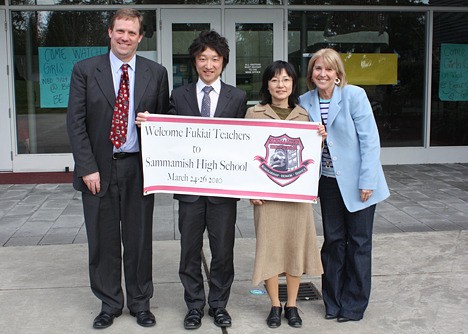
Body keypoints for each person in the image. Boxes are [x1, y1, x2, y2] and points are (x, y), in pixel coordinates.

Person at [67, 9, 169, 329]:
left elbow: (164, 121)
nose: (125, 37)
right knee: (103, 240)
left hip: (138, 169)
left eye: (132, 33)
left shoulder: (156, 72)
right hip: (98, 169)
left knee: (139, 241)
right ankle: (109, 303)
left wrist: (153, 124)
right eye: (120, 31)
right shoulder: (85, 70)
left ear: (141, 37)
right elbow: (76, 123)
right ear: (109, 32)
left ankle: (140, 302)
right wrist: (87, 167)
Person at [138, 30, 246, 330]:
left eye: (215, 59)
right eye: (203, 58)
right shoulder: (180, 95)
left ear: (223, 62)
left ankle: (219, 305)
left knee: (223, 251)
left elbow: (245, 142)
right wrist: (150, 125)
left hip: (223, 191)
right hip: (189, 191)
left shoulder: (237, 97)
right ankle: (194, 306)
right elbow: (168, 134)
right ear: (195, 62)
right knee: (189, 251)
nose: (208, 64)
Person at [299, 48, 390, 322]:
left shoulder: (354, 96)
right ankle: (333, 301)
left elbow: (370, 141)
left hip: (359, 182)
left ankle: (353, 305)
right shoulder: (305, 101)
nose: (322, 74)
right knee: (334, 242)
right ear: (311, 73)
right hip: (327, 182)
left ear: (338, 74)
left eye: (328, 69)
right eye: (317, 68)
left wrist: (367, 180)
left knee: (359, 243)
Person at [246, 60, 324, 329]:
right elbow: (246, 157)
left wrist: (320, 137)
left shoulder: (304, 115)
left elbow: (311, 153)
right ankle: (274, 306)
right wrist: (249, 191)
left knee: (294, 249)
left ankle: (292, 305)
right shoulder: (254, 113)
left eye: (286, 80)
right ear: (267, 84)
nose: (281, 85)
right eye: (275, 79)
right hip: (266, 197)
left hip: (296, 197)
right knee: (269, 249)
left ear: (293, 83)